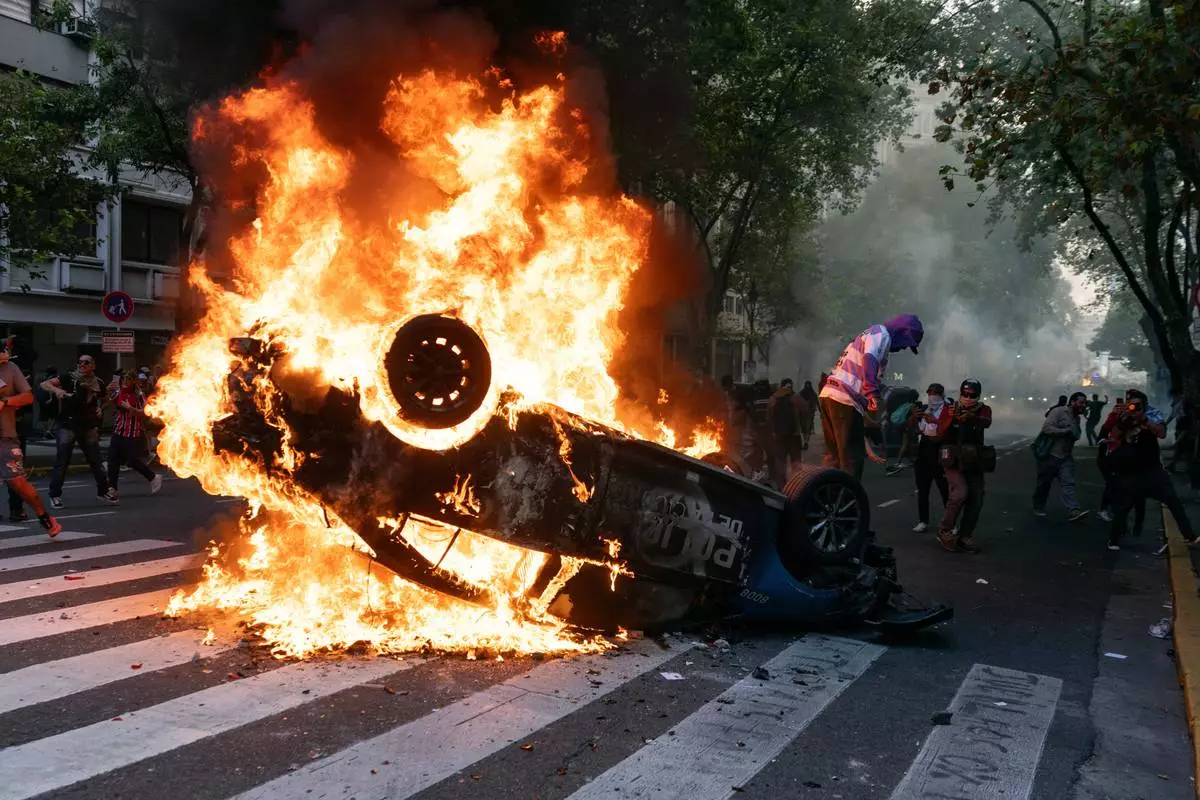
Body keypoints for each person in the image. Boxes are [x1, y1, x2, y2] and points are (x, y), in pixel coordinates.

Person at [819, 314, 924, 481]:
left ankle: (824, 494)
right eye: (906, 344)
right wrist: (871, 393)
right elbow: (870, 360)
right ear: (901, 332)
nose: (902, 349)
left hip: (830, 395)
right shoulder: (881, 334)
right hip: (844, 398)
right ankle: (848, 499)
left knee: (834, 456)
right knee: (852, 459)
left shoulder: (871, 334)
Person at [1104, 389, 1198, 552]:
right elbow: (1114, 435)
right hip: (1130, 469)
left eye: (1137, 405)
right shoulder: (1124, 415)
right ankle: (1113, 539)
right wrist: (1124, 420)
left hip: (1152, 468)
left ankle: (1190, 536)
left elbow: (1161, 433)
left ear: (1145, 404)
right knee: (1124, 506)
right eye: (1131, 404)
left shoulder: (1153, 414)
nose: (1134, 407)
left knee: (1172, 500)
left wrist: (1144, 420)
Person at [0, 347, 61, 536]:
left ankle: (44, 516)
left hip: (5, 437)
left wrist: (5, 402)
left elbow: (28, 396)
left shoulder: (9, 368)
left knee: (18, 482)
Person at [41, 354, 114, 508]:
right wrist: (57, 391)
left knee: (96, 461)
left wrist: (101, 408)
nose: (82, 365)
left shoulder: (98, 382)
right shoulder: (68, 377)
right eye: (80, 362)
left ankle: (103, 491)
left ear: (93, 365)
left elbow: (106, 398)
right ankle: (54, 495)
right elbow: (44, 384)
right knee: (62, 462)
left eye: (86, 362)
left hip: (88, 426)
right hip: (67, 425)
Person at [936, 378, 991, 554]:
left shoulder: (983, 410)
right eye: (965, 394)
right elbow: (939, 431)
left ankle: (965, 535)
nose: (968, 398)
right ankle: (945, 530)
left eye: (972, 395)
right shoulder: (949, 408)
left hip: (973, 458)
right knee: (960, 492)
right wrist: (951, 418)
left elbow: (986, 422)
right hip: (952, 457)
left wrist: (971, 417)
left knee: (977, 497)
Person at [1033, 391, 1090, 521]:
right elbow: (1047, 428)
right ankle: (1038, 505)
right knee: (1044, 484)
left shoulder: (1077, 418)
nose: (1083, 405)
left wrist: (1074, 433)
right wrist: (1064, 431)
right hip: (1050, 454)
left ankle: (1073, 509)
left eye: (1084, 403)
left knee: (1068, 483)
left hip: (1065, 456)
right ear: (1073, 402)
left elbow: (1076, 434)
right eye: (1081, 402)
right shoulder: (1058, 412)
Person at [107, 371, 164, 499]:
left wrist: (130, 408)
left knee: (131, 460)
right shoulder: (119, 391)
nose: (125, 382)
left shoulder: (139, 395)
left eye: (128, 379)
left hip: (132, 433)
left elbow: (144, 413)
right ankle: (112, 488)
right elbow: (109, 402)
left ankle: (153, 477)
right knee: (112, 460)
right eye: (124, 379)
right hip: (118, 430)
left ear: (134, 381)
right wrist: (107, 392)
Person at [911, 383, 950, 533]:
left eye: (935, 393)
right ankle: (923, 520)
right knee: (922, 490)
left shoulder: (946, 410)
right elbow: (911, 428)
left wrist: (935, 421)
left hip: (939, 451)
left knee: (944, 489)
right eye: (930, 393)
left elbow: (947, 429)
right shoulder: (925, 409)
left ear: (941, 395)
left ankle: (950, 523)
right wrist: (915, 418)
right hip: (924, 451)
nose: (932, 396)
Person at [767, 378, 807, 486]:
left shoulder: (773, 398)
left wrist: (773, 431)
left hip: (779, 435)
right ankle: (797, 485)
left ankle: (781, 486)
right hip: (794, 435)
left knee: (780, 462)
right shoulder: (795, 397)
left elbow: (769, 417)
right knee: (796, 461)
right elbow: (806, 409)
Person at [798, 380, 818, 446]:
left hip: (803, 412)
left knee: (804, 427)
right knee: (808, 426)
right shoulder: (813, 393)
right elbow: (817, 402)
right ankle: (806, 441)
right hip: (810, 412)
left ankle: (805, 441)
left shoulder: (801, 393)